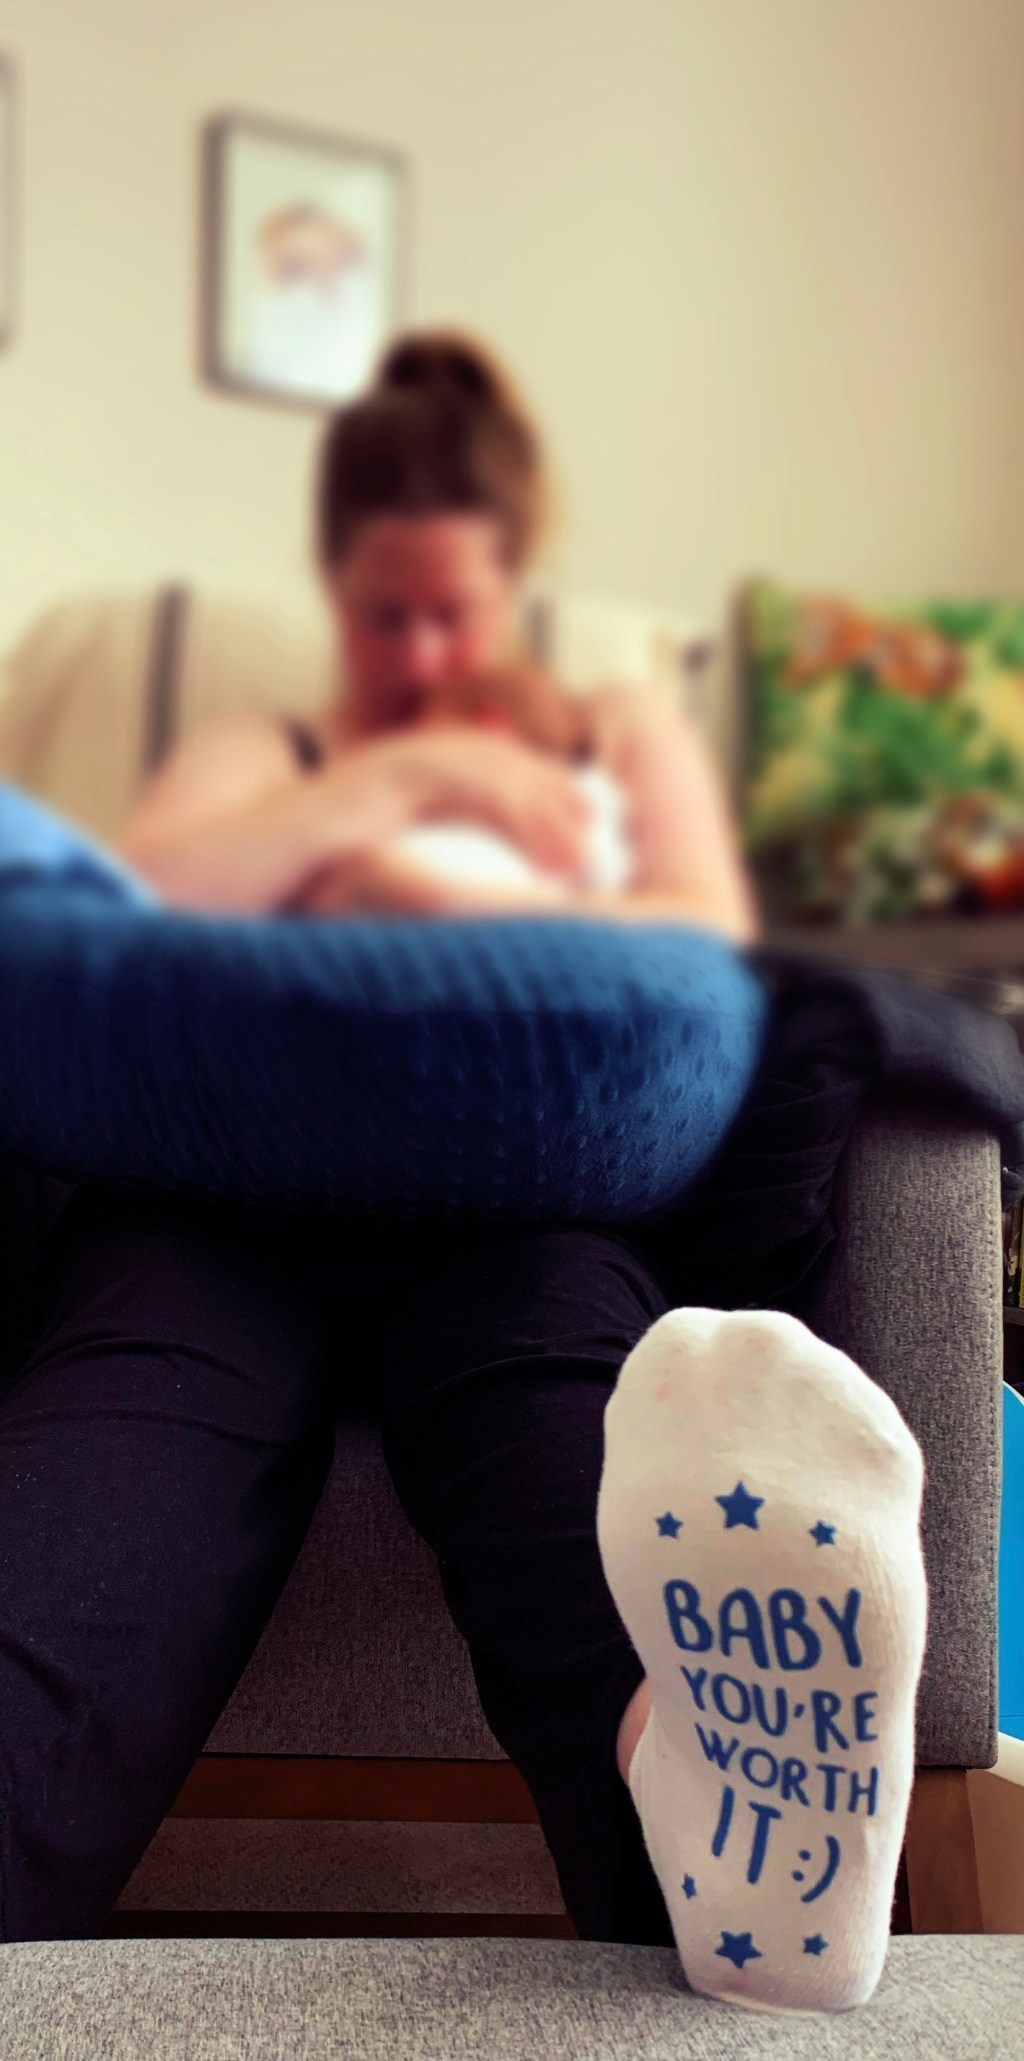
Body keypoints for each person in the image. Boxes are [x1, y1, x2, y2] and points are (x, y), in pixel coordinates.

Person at [0, 333, 922, 2017]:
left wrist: (406, 882)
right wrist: (405, 784)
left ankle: (717, 1818)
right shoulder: (264, 741)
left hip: (525, 1204)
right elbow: (149, 909)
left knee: (555, 1396)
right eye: (386, 615)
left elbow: (692, 961)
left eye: (454, 614)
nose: (421, 652)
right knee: (128, 1421)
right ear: (336, 593)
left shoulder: (619, 733)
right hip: (215, 1196)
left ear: (515, 590)